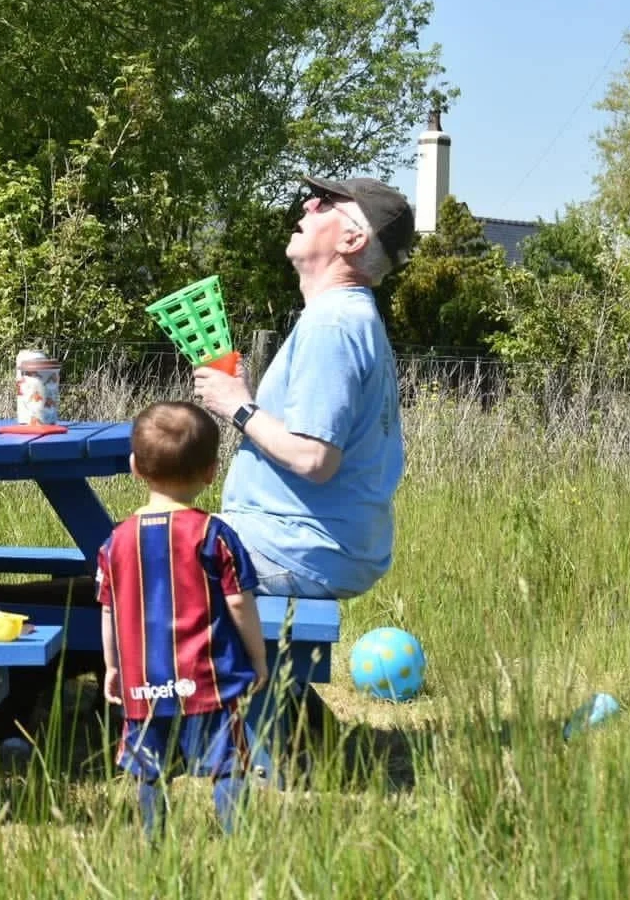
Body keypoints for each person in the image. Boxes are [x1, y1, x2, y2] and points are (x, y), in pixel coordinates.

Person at [194, 175, 415, 600]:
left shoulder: (333, 323)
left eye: (329, 201)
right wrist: (249, 401)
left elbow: (316, 458)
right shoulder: (348, 317)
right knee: (134, 556)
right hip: (311, 544)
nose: (311, 204)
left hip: (297, 546)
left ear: (351, 239)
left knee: (133, 562)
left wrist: (238, 407)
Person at [95, 401, 268, 838]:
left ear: (134, 467)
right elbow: (239, 603)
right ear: (211, 471)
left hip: (143, 683)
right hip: (208, 680)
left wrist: (113, 667)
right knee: (228, 762)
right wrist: (259, 658)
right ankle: (238, 839)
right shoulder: (215, 535)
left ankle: (154, 840)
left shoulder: (115, 542)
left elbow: (109, 610)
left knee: (148, 768)